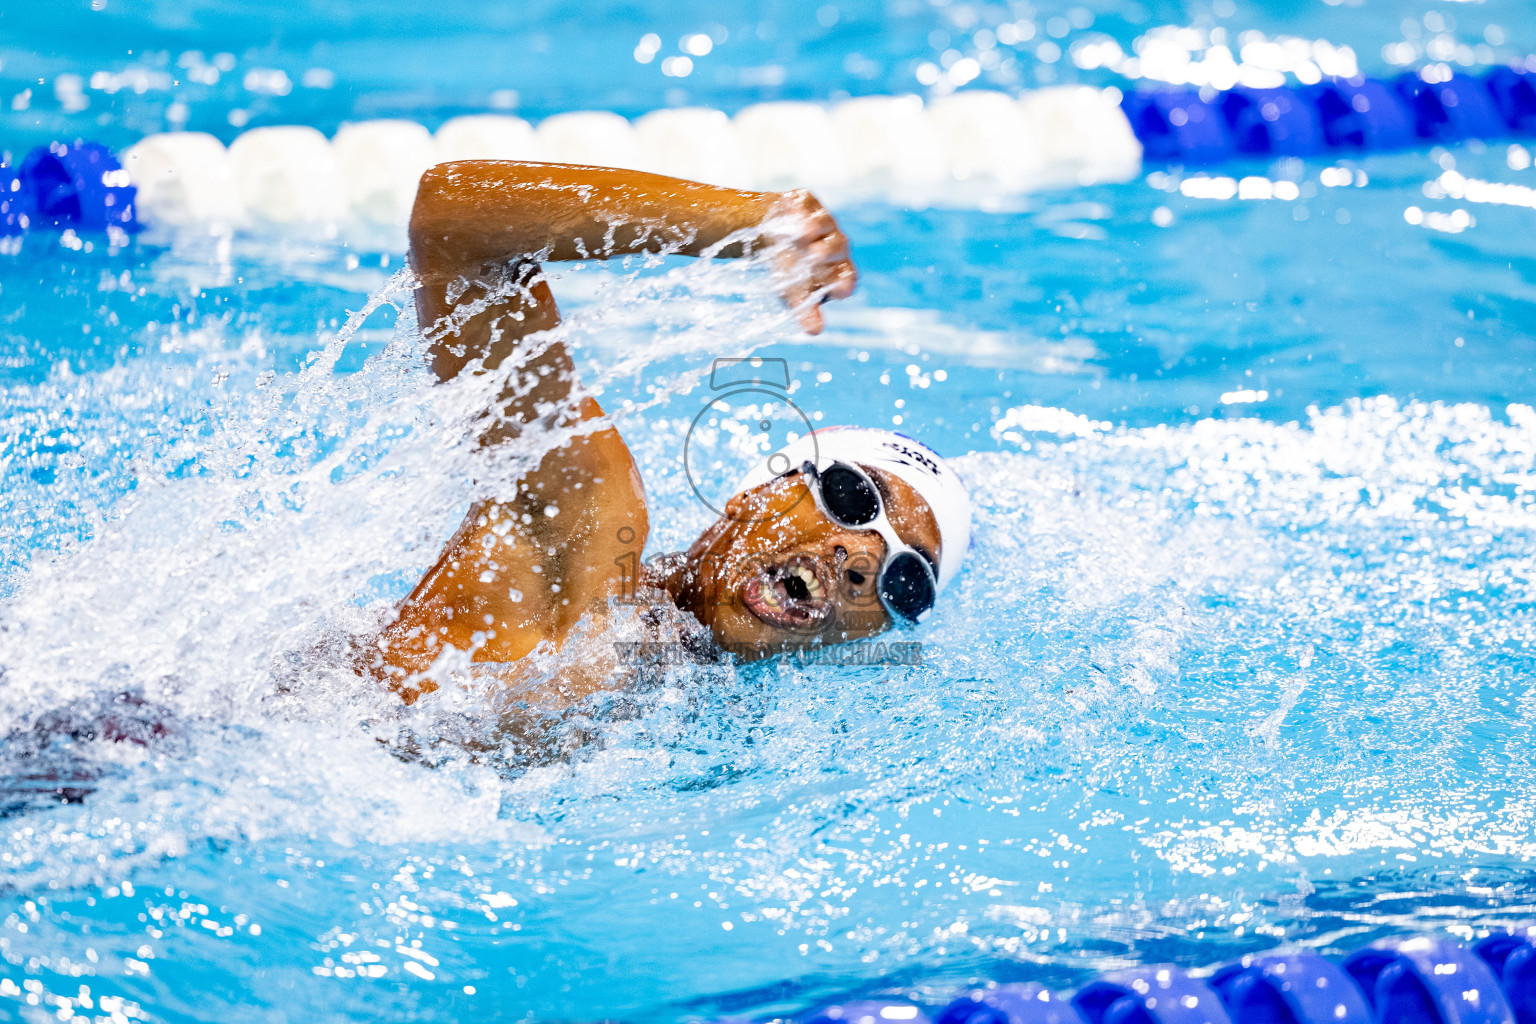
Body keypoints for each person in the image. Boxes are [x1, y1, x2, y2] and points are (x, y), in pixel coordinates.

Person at [370, 161, 971, 705]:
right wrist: (748, 223)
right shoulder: (590, 533)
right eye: (852, 496)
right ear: (757, 494)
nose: (865, 556)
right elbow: (455, 223)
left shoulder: (698, 705)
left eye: (906, 581)